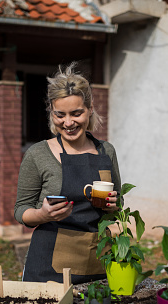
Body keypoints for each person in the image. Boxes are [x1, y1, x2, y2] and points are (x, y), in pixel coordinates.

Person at [14, 62, 121, 284]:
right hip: (47, 267)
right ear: (51, 113)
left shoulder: (106, 151)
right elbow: (21, 209)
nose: (68, 122)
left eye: (76, 113)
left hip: (98, 259)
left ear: (90, 109)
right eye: (60, 115)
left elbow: (117, 204)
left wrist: (114, 206)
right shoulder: (38, 154)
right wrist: (42, 215)